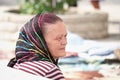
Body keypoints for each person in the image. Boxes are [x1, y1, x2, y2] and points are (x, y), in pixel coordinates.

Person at [7, 13, 67, 80]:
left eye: (65, 36)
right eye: (58, 38)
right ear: (39, 41)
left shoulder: (17, 65)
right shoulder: (50, 71)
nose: (65, 42)